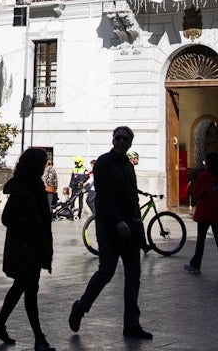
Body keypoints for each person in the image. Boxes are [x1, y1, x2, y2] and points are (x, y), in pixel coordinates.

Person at [68, 126, 152, 341]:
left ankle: (132, 323)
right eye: (118, 138)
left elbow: (132, 198)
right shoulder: (104, 162)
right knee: (106, 272)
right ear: (113, 140)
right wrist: (117, 222)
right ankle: (81, 307)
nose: (121, 142)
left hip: (130, 228)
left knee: (134, 276)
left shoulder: (128, 165)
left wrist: (138, 230)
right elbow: (103, 197)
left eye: (125, 139)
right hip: (110, 229)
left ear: (130, 143)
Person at [0, 146, 55, 351]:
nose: (44, 169)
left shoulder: (35, 185)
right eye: (42, 164)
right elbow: (7, 218)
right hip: (25, 248)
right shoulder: (21, 189)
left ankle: (0, 325)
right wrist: (29, 223)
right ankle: (39, 338)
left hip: (33, 246)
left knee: (20, 287)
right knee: (30, 290)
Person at [183, 151, 218, 276]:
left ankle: (195, 265)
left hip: (205, 213)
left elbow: (197, 192)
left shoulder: (204, 176)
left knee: (201, 240)